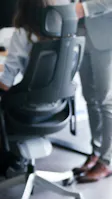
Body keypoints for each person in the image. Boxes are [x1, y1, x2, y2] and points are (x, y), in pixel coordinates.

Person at [71, 0, 112, 183]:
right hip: (79, 32)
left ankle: (107, 160)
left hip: (107, 33)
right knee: (90, 98)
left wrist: (85, 8)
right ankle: (96, 153)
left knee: (106, 100)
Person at [0, 0, 56, 176]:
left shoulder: (23, 34)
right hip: (57, 108)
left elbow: (5, 83)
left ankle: (6, 158)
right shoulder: (63, 34)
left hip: (28, 111)